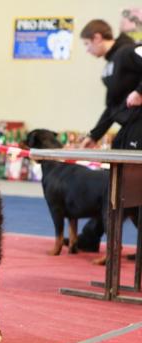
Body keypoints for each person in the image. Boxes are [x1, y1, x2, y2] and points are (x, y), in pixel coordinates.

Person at [76, 20, 142, 251]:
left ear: (97, 37)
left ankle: (90, 236)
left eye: (86, 44)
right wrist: (94, 135)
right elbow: (112, 107)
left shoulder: (129, 50)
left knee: (131, 186)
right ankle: (90, 237)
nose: (87, 50)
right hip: (128, 127)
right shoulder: (111, 65)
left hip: (139, 125)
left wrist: (139, 91)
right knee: (119, 186)